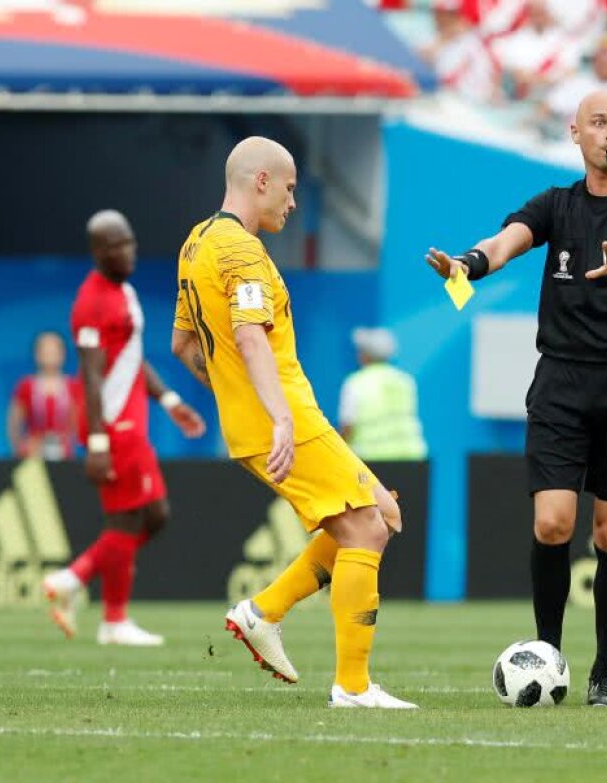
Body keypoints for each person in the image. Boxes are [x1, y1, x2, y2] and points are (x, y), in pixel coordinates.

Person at [425, 89, 607, 707]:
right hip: (562, 380)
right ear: (576, 133)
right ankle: (548, 654)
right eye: (599, 123)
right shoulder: (556, 204)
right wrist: (471, 263)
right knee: (552, 522)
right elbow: (510, 237)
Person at [171, 137, 415, 710]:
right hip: (287, 417)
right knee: (369, 530)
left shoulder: (196, 244)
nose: (292, 202)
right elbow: (250, 336)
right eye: (288, 188)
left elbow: (185, 345)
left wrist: (236, 398)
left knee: (382, 510)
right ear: (261, 181)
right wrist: (277, 416)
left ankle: (263, 611)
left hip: (271, 416)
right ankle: (353, 687)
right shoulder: (241, 251)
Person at [41, 211, 207, 646]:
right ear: (99, 251)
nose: (128, 252)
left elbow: (131, 359)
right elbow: (91, 376)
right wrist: (97, 442)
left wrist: (169, 401)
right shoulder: (92, 303)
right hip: (113, 427)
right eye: (117, 245)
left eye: (130, 242)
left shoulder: (124, 291)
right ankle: (113, 620)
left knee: (153, 515)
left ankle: (74, 579)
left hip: (133, 422)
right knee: (130, 519)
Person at [339, 327, 427, 461]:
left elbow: (348, 426)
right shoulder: (405, 381)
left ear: (365, 356)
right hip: (412, 459)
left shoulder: (355, 383)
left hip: (370, 461)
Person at [7, 331, 79, 461]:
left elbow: (76, 423)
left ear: (62, 354)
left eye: (54, 351)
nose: (50, 356)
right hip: (32, 454)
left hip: (64, 455)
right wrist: (19, 448)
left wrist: (66, 442)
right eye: (45, 351)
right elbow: (14, 423)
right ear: (37, 354)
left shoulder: (73, 386)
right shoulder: (26, 386)